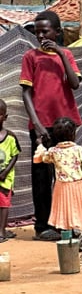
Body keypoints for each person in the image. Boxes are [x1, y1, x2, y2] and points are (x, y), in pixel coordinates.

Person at [20, 10, 82, 241]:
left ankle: (68, 222)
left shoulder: (66, 55)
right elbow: (26, 93)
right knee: (42, 177)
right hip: (41, 125)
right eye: (37, 32)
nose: (41, 36)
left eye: (45, 31)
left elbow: (74, 84)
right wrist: (36, 124)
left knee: (68, 175)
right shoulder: (31, 57)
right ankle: (43, 225)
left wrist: (60, 54)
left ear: (57, 32)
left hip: (66, 125)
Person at [32, 117, 82, 236]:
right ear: (73, 134)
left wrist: (40, 144)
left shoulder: (53, 151)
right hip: (79, 186)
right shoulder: (78, 150)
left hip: (62, 188)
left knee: (65, 209)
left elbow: (42, 157)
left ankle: (67, 233)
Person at [0, 99, 21, 242]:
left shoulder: (11, 137)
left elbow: (15, 155)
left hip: (5, 179)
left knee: (4, 205)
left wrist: (5, 172)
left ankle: (1, 231)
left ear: (5, 117)